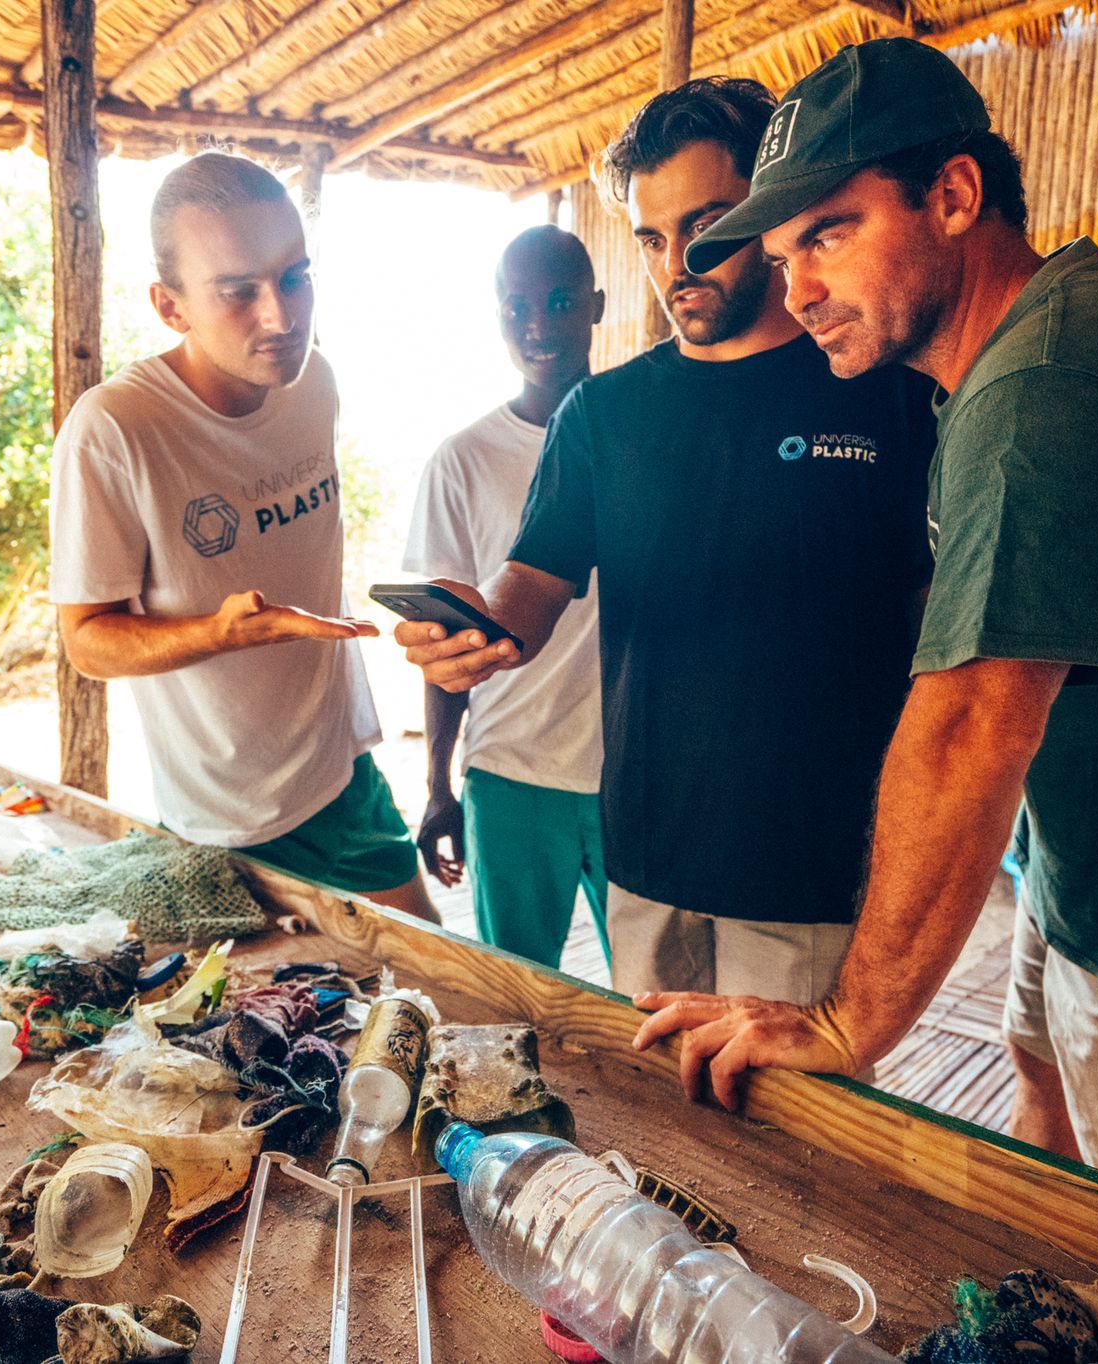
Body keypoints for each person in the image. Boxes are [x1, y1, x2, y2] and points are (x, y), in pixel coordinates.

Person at [635, 38, 1098, 1223]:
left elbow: (974, 721)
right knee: (1045, 1149)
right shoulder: (1043, 332)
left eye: (825, 233)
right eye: (780, 257)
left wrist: (845, 1020)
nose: (797, 289)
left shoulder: (1043, 393)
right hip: (1091, 868)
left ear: (953, 195)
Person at [396, 80, 938, 1004]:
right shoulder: (605, 414)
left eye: (708, 222)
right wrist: (472, 632)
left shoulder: (878, 390)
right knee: (666, 1129)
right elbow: (532, 582)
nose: (678, 261)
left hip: (812, 873)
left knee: (795, 1144)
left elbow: (939, 626)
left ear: (770, 211)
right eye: (651, 237)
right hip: (647, 865)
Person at [50, 152, 436, 921]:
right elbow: (88, 642)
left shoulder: (313, 382)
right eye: (238, 292)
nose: (282, 318)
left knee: (445, 993)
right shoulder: (115, 429)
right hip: (220, 820)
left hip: (340, 774)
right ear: (171, 306)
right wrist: (222, 633)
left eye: (295, 276)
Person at [402, 226, 610, 969]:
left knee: (656, 1001)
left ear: (596, 306)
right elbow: (443, 641)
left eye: (559, 303)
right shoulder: (462, 460)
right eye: (516, 307)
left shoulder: (641, 435)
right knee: (516, 1001)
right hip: (511, 776)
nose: (537, 326)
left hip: (633, 776)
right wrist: (437, 786)